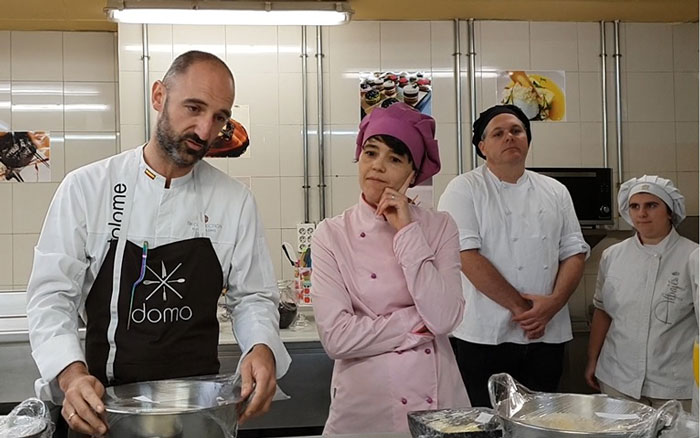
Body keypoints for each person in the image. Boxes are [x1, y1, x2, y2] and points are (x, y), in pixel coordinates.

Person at [25, 51, 291, 437]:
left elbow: (252, 297)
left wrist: (261, 348)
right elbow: (51, 298)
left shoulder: (234, 202)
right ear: (158, 96)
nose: (205, 131)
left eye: (220, 117)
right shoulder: (87, 188)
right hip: (103, 411)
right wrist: (71, 375)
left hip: (199, 414)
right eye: (194, 108)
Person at [311, 102, 470, 435]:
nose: (378, 166)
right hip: (365, 405)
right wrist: (417, 322)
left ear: (413, 174)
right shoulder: (331, 234)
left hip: (437, 404)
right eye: (370, 153)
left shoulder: (440, 227)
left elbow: (443, 319)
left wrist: (407, 231)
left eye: (395, 159)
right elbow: (337, 339)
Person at [437, 104, 590, 407]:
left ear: (527, 140)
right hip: (485, 336)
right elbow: (466, 256)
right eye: (498, 133)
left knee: (541, 420)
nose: (509, 137)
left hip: (546, 336)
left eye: (517, 130)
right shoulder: (464, 188)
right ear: (482, 147)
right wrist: (525, 311)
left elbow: (574, 252)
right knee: (486, 421)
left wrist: (553, 305)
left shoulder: (555, 190)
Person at [585, 175, 697, 412]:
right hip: (618, 379)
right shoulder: (613, 255)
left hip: (677, 385)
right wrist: (592, 359)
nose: (642, 213)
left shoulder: (693, 257)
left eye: (651, 205)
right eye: (634, 206)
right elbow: (602, 311)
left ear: (670, 212)